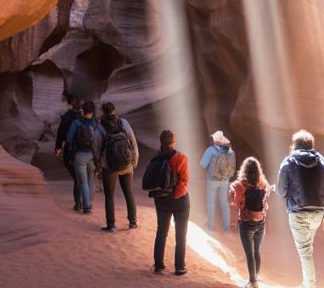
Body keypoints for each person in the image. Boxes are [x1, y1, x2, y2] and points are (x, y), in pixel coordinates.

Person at [275, 130, 324, 288]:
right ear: (311, 145)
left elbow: (280, 191)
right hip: (317, 213)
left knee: (305, 250)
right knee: (307, 248)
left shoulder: (288, 161)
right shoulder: (323, 161)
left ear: (295, 145)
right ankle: (306, 283)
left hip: (298, 211)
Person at [148, 130, 190, 275]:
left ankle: (159, 265)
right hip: (179, 202)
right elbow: (184, 181)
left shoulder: (156, 156)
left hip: (161, 200)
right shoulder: (181, 158)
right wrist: (175, 196)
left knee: (161, 232)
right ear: (173, 142)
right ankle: (179, 267)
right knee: (181, 235)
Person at [228, 156, 272, 288]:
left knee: (249, 253)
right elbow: (267, 204)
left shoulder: (238, 185)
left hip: (246, 222)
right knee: (256, 251)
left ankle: (252, 281)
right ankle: (256, 277)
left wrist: (233, 221)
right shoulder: (264, 184)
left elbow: (234, 203)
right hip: (261, 222)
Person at [96, 102, 139, 232]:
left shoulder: (100, 127)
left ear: (103, 112)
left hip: (109, 165)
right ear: (114, 110)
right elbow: (132, 141)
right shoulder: (123, 122)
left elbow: (97, 148)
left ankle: (111, 225)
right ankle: (133, 222)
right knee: (129, 192)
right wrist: (134, 160)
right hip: (126, 163)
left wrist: (100, 164)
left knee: (109, 195)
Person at [64, 101, 105, 216]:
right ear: (92, 112)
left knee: (83, 182)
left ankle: (85, 207)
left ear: (83, 111)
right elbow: (104, 135)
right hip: (92, 155)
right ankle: (89, 205)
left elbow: (69, 138)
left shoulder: (76, 123)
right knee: (90, 180)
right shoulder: (96, 124)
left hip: (79, 156)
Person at [200, 131, 236, 233]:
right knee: (224, 203)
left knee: (211, 203)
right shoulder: (230, 151)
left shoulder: (211, 150)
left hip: (212, 179)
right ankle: (226, 228)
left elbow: (203, 164)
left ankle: (211, 224)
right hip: (225, 180)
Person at [55, 98, 83, 211]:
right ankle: (83, 203)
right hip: (83, 151)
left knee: (77, 179)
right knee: (81, 178)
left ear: (72, 105)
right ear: (81, 107)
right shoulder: (84, 117)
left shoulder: (66, 117)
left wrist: (58, 148)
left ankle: (78, 202)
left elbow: (61, 133)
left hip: (69, 151)